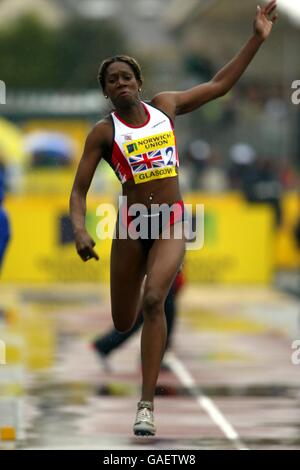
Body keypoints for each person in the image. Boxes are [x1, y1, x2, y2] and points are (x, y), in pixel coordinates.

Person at [69, 1, 278, 436]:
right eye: (113, 80)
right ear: (106, 91)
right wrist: (80, 228)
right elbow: (78, 191)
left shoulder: (166, 108)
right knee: (124, 320)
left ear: (140, 83)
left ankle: (146, 404)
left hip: (171, 220)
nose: (121, 83)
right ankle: (130, 344)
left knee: (155, 300)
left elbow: (220, 84)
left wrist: (255, 38)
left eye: (127, 77)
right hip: (131, 226)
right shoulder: (103, 133)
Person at [92, 270, 185, 370]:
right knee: (159, 317)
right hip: (161, 276)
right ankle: (105, 345)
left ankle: (105, 345)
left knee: (157, 317)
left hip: (165, 276)